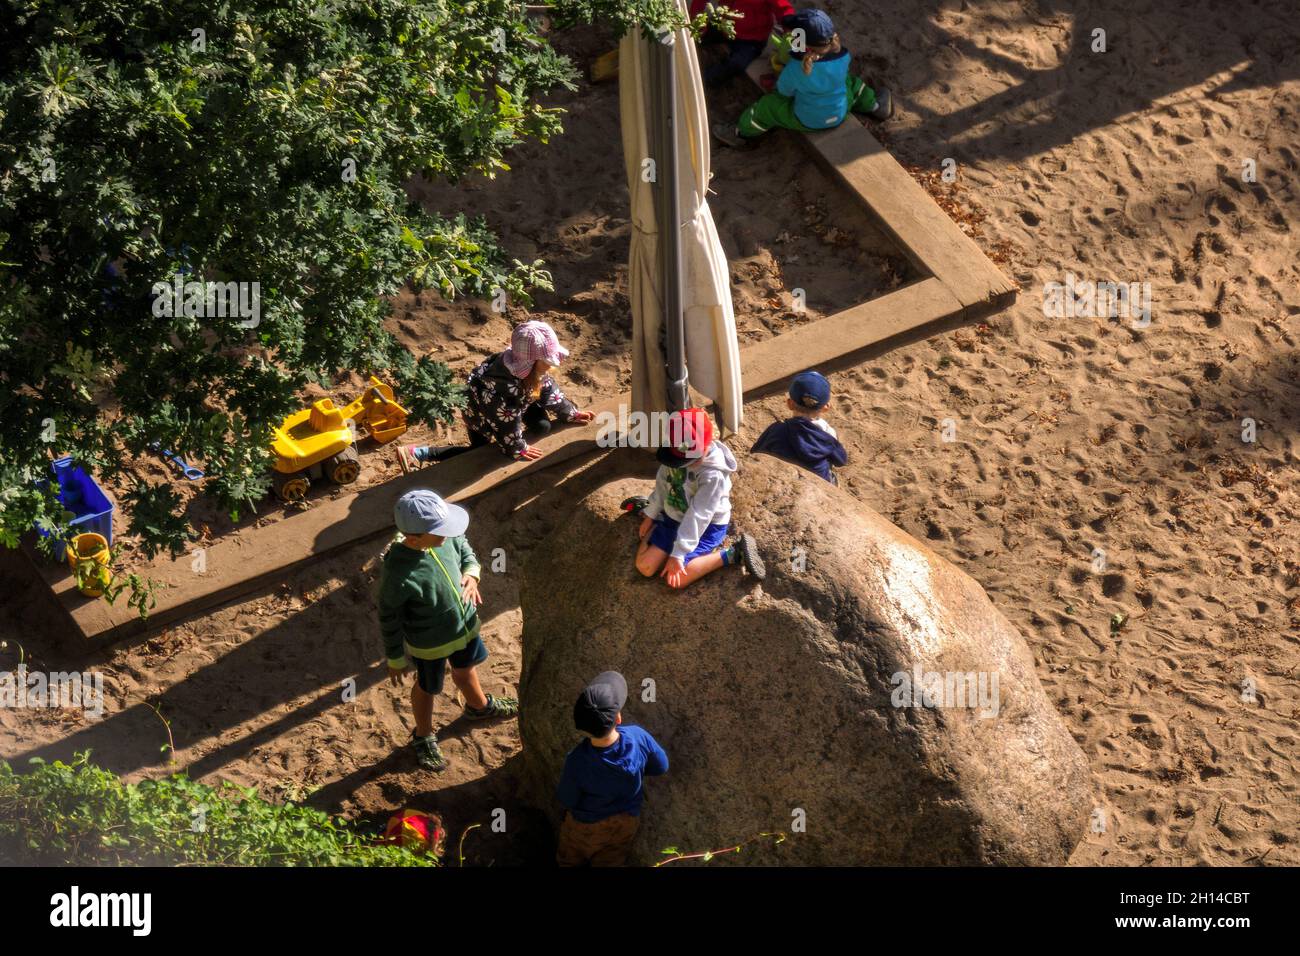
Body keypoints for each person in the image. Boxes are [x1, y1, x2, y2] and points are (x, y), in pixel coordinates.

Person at [378, 489, 518, 771]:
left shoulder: (445, 537)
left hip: (464, 626)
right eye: (442, 531)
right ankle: (423, 734)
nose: (449, 533)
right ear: (414, 538)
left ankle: (478, 706)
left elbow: (464, 546)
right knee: (427, 686)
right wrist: (395, 658)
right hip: (430, 644)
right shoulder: (398, 576)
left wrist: (471, 573)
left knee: (466, 670)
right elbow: (389, 619)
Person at [397, 320, 595, 471]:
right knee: (479, 452)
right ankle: (419, 453)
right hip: (483, 416)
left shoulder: (530, 371)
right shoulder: (501, 394)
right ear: (530, 365)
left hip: (519, 401)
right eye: (546, 362)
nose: (551, 366)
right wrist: (517, 449)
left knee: (542, 426)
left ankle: (527, 426)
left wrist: (571, 413)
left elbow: (548, 389)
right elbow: (506, 426)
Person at [712, 8, 892, 147]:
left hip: (808, 120)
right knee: (853, 84)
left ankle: (740, 134)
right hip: (839, 112)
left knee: (767, 107)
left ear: (801, 41)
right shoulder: (843, 57)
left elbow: (784, 91)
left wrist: (782, 72)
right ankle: (876, 106)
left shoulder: (796, 69)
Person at [630, 407, 765, 588]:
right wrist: (651, 514)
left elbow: (699, 514)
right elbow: (663, 483)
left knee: (676, 580)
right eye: (683, 461)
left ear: (709, 442)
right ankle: (652, 513)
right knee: (644, 567)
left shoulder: (712, 475)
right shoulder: (674, 452)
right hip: (674, 515)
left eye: (693, 459)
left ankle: (733, 553)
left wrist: (678, 554)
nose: (688, 465)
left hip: (707, 525)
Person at [555, 671, 668, 867]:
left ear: (581, 727)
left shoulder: (577, 760)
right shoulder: (638, 737)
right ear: (618, 718)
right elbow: (661, 766)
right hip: (625, 822)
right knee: (611, 860)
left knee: (570, 857)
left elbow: (568, 798)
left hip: (585, 826)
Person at [751, 370, 847, 484]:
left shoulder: (777, 428)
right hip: (818, 485)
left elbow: (755, 452)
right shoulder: (828, 434)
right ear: (826, 407)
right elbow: (841, 461)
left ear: (790, 404)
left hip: (781, 479)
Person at [690, 0, 793, 87]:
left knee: (736, 64)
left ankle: (696, 82)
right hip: (726, 27)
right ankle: (680, 59)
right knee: (694, 34)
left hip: (752, 39)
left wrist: (791, 29)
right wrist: (697, 19)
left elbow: (784, 10)